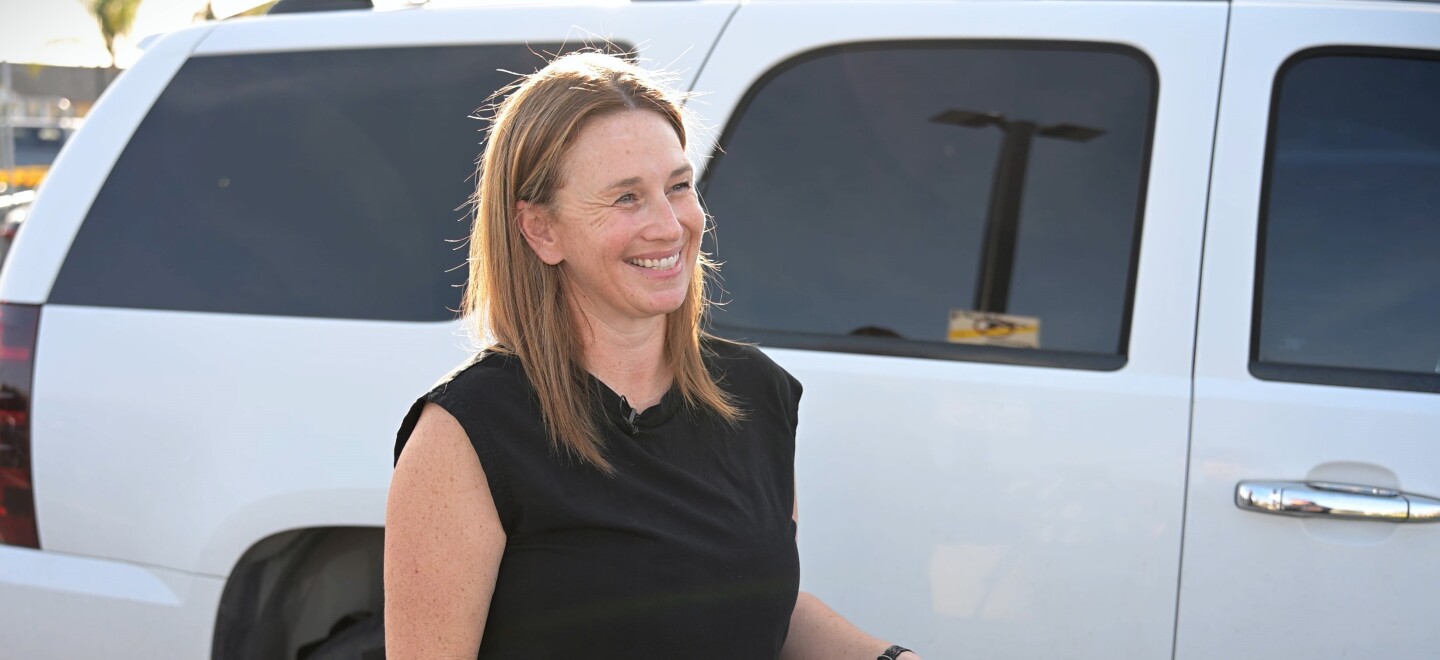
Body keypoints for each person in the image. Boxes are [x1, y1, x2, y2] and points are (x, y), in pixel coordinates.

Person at [384, 51, 921, 660]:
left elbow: (744, 596)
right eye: (626, 199)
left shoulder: (758, 394)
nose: (670, 226)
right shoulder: (466, 434)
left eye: (678, 187)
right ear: (541, 230)